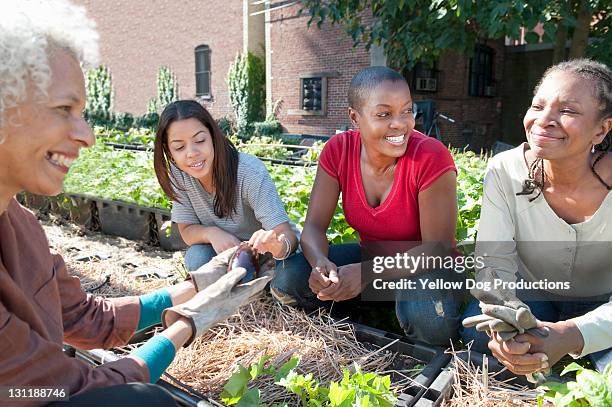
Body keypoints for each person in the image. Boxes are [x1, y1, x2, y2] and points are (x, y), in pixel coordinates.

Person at [0, 2, 269, 406]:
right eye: (63, 110)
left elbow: (90, 320)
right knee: (146, 402)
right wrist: (189, 324)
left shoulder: (21, 224)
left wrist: (197, 286)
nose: (87, 135)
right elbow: (77, 389)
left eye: (83, 113)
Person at [270, 66, 462, 346]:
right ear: (354, 118)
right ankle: (350, 316)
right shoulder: (339, 150)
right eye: (384, 114)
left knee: (430, 318)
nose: (401, 124)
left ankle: (413, 336)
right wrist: (320, 264)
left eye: (407, 111)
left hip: (425, 268)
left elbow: (437, 250)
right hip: (371, 260)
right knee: (290, 277)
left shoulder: (431, 157)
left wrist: (366, 272)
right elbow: (313, 227)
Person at [461, 59, 612, 375]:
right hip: (529, 297)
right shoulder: (505, 170)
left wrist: (572, 334)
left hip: (604, 305)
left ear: (601, 129)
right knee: (479, 343)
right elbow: (493, 261)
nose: (544, 120)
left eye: (567, 111)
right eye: (537, 106)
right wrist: (505, 319)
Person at [153, 100, 299, 276]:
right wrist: (212, 234)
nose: (191, 153)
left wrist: (276, 245)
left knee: (288, 279)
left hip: (269, 256)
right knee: (197, 257)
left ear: (213, 137)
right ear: (169, 152)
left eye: (200, 140)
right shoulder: (180, 175)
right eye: (179, 147)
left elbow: (286, 235)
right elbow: (186, 231)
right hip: (226, 254)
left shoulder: (248, 171)